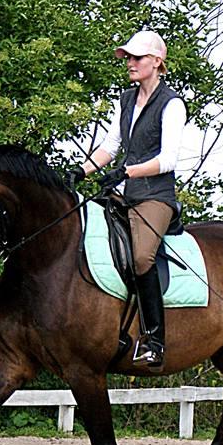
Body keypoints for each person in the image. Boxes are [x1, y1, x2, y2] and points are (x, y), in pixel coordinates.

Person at [67, 30, 187, 371]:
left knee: (141, 257)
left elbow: (169, 159)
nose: (130, 63)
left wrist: (127, 173)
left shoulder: (172, 103)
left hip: (155, 197)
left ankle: (155, 340)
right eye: (129, 58)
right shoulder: (125, 99)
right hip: (125, 194)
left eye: (137, 58)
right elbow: (110, 146)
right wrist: (81, 170)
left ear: (157, 62)